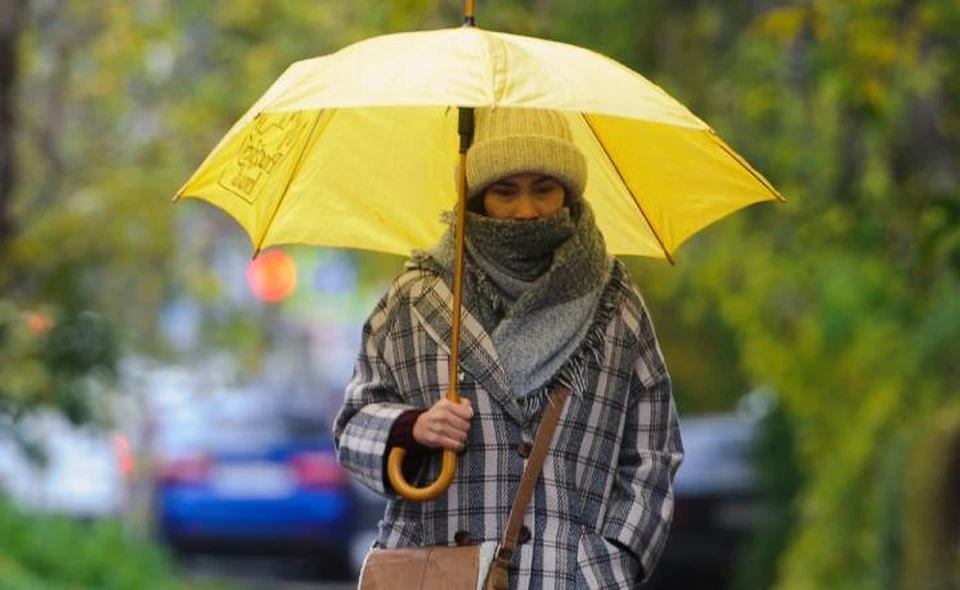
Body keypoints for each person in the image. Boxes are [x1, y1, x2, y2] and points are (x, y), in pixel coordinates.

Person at [334, 107, 684, 588]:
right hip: (437, 572)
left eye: (543, 189)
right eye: (504, 191)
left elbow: (653, 450)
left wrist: (614, 560)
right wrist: (415, 428)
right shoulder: (415, 298)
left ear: (568, 190)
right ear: (476, 196)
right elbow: (353, 424)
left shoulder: (615, 302)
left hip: (570, 576)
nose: (525, 210)